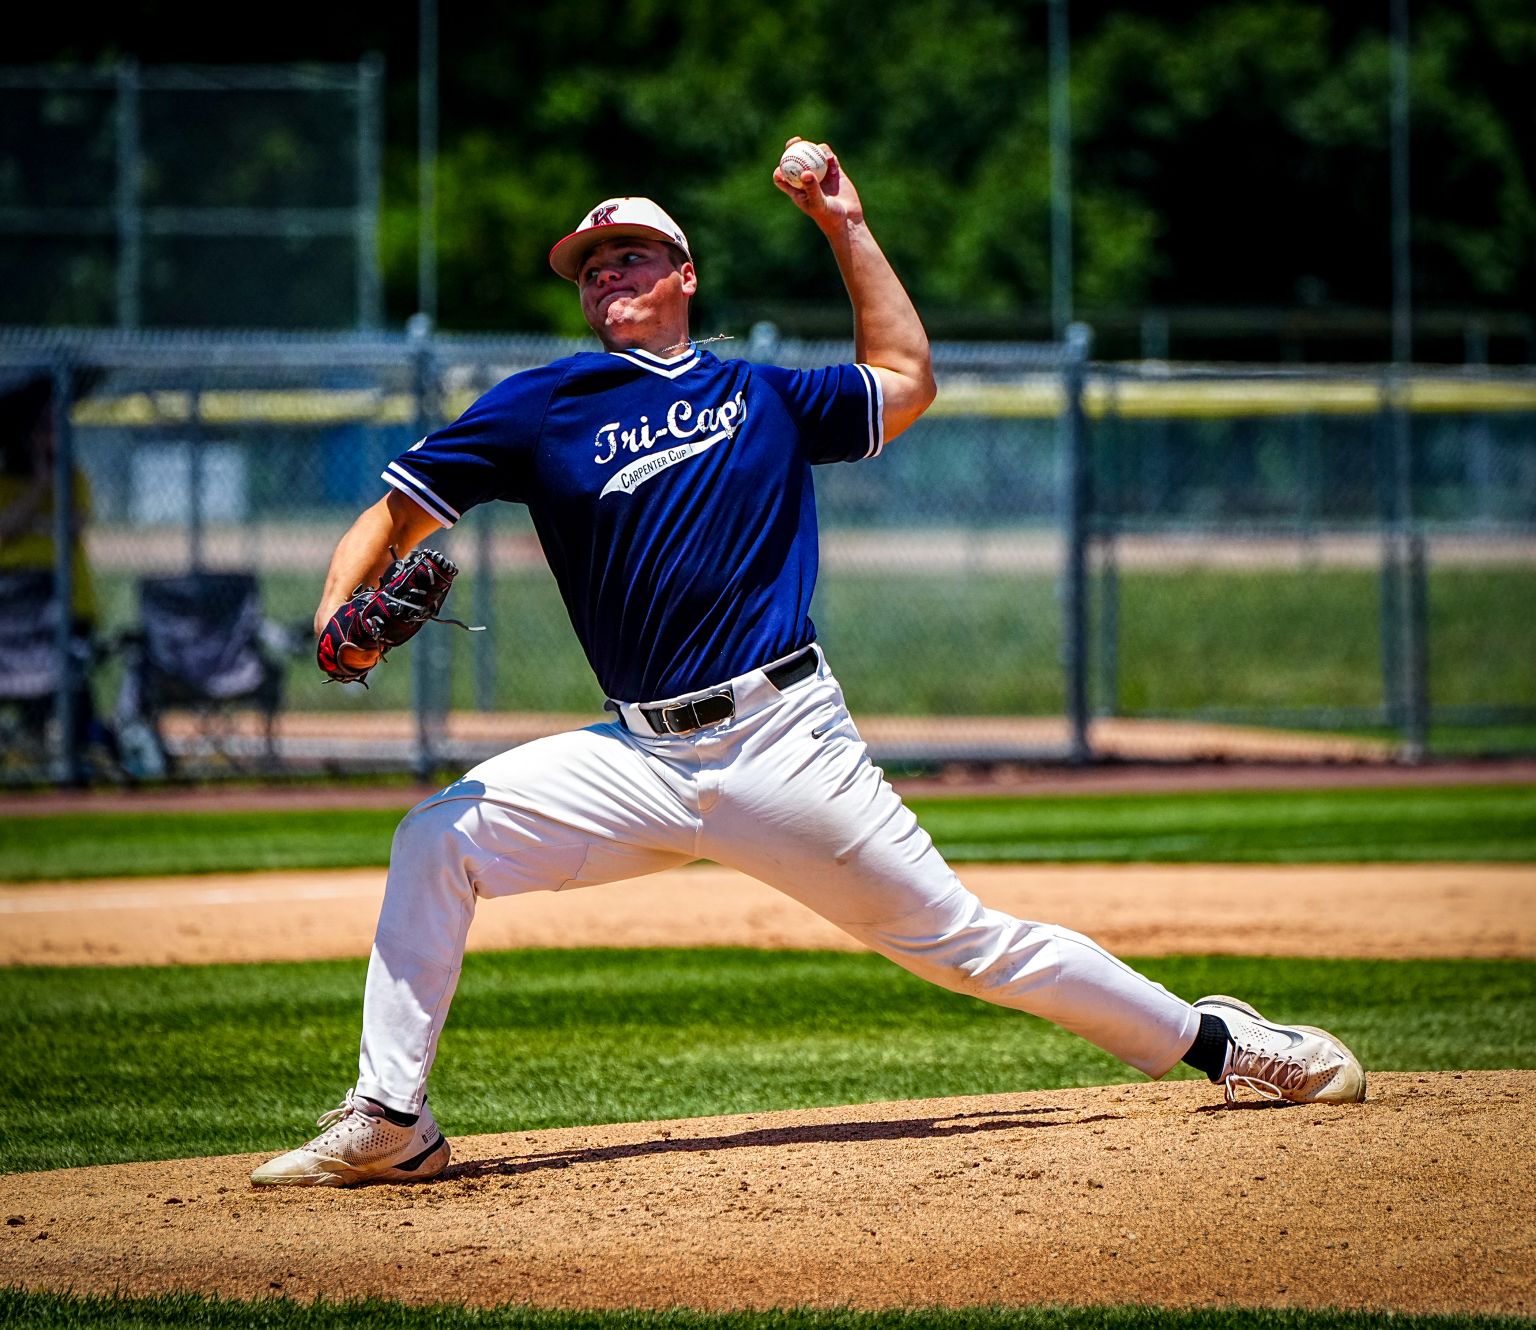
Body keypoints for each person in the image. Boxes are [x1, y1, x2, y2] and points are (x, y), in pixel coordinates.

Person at [252, 141, 1364, 1188]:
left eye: (628, 254)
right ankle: (393, 1120)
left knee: (964, 945)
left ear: (685, 273)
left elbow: (907, 375)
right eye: (589, 267)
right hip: (636, 754)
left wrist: (846, 225)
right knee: (434, 838)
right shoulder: (542, 407)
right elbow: (397, 513)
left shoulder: (765, 397)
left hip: (784, 740)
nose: (605, 276)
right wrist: (333, 612)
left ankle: (1222, 1041)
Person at [0, 371, 118, 776]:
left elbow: (73, 524)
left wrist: (31, 517)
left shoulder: (73, 479)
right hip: (10, 616)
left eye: (54, 428)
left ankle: (83, 755)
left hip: (68, 610)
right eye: (41, 429)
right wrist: (38, 485)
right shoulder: (8, 483)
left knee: (73, 679)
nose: (49, 436)